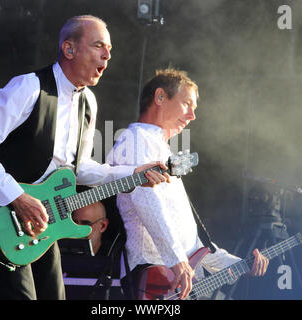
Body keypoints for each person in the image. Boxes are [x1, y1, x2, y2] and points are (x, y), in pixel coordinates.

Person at [0, 15, 169, 300]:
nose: (107, 55)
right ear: (69, 49)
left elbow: (79, 170)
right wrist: (18, 197)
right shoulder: (28, 87)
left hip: (46, 222)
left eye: (109, 49)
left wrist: (133, 173)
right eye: (98, 46)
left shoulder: (88, 101)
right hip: (3, 215)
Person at [106, 68, 269, 300]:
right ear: (160, 97)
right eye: (186, 104)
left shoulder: (160, 148)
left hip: (174, 277)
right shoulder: (136, 138)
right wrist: (177, 261)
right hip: (156, 278)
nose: (192, 115)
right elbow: (146, 201)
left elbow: (194, 245)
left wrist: (243, 264)